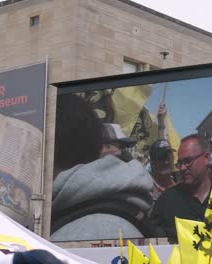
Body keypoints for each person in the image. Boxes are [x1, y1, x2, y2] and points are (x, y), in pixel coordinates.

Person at [51, 94, 154, 241]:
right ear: (100, 148)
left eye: (124, 146)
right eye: (114, 145)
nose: (122, 151)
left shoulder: (101, 230)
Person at [150, 134, 211, 237]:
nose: (182, 168)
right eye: (180, 163)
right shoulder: (166, 202)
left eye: (188, 161)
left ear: (206, 158)